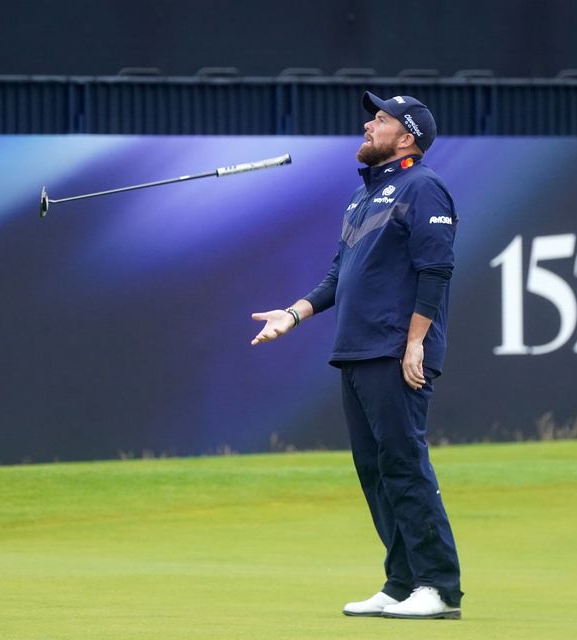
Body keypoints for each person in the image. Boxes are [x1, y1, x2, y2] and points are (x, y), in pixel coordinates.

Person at [250, 92, 463, 620]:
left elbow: (436, 270)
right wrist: (293, 314)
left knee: (404, 465)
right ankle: (401, 581)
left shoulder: (424, 187)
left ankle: (438, 587)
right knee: (374, 470)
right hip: (357, 350)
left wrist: (415, 342)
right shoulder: (363, 196)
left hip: (395, 351)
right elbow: (336, 276)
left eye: (382, 119)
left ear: (407, 136)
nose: (369, 124)